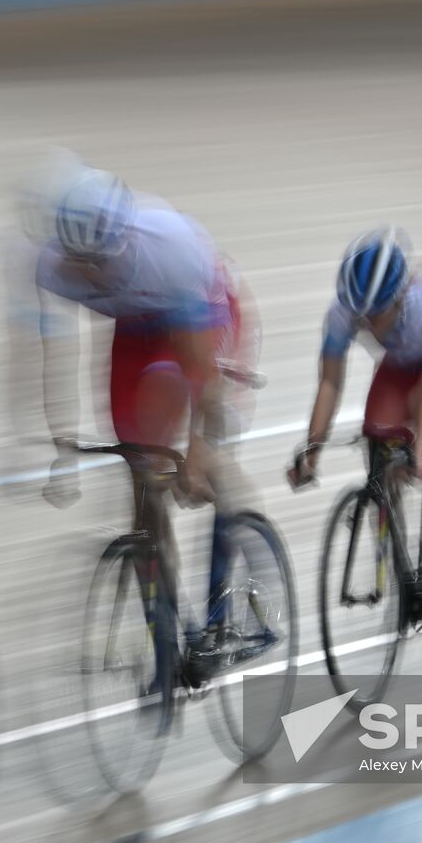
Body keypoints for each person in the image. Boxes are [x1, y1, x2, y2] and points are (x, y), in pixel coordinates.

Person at [32, 163, 259, 687]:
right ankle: (166, 642)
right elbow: (54, 355)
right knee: (141, 477)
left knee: (195, 462)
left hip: (202, 312)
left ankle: (227, 600)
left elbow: (203, 377)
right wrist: (62, 441)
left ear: (122, 242)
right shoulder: (47, 266)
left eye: (102, 263)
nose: (90, 275)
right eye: (80, 264)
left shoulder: (170, 254)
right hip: (137, 326)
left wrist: (199, 453)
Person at [286, 226, 422, 580]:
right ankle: (394, 546)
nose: (366, 323)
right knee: (376, 433)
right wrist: (312, 450)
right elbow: (330, 383)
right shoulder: (343, 313)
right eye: (359, 316)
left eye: (375, 315)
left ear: (402, 296)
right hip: (404, 364)